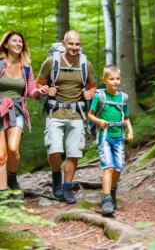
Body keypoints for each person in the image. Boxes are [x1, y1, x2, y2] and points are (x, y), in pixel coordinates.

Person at [36, 30, 96, 205]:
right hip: (55, 112)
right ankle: (56, 177)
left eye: (77, 44)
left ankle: (67, 187)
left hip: (77, 114)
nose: (74, 47)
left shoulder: (86, 64)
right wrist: (46, 89)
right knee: (54, 149)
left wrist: (89, 94)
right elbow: (39, 84)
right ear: (64, 44)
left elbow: (92, 86)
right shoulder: (51, 62)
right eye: (71, 44)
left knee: (74, 153)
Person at [0, 31, 48, 203]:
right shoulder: (0, 64)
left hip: (17, 110)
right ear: (6, 44)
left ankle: (12, 178)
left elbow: (31, 90)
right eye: (14, 41)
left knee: (13, 150)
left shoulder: (26, 67)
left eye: (20, 41)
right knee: (1, 155)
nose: (18, 44)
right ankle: (3, 194)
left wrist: (39, 91)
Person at [88, 64, 133, 215]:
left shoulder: (123, 97)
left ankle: (113, 191)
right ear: (104, 80)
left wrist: (130, 131)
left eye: (118, 79)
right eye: (112, 79)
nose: (115, 82)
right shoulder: (99, 96)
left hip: (118, 136)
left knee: (118, 167)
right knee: (108, 167)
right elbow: (90, 114)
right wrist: (98, 121)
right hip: (105, 136)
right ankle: (106, 199)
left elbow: (126, 117)